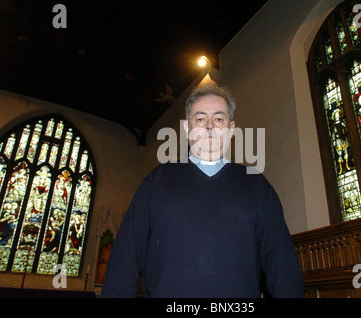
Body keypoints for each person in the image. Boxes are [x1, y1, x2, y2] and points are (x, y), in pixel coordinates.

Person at [101, 84, 304, 298]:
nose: (209, 126)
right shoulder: (157, 181)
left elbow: (283, 267)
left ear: (231, 129)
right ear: (187, 129)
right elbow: (124, 261)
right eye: (200, 119)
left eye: (218, 119)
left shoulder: (256, 184)